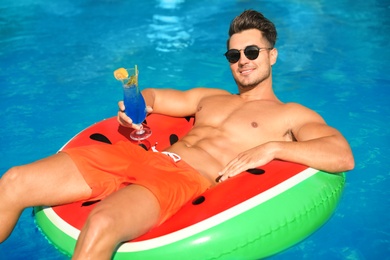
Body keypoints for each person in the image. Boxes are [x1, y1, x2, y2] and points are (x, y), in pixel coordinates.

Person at [0, 10, 354, 259]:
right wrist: (135, 108)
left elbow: (341, 155)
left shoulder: (291, 114)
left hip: (182, 176)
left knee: (102, 222)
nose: (242, 60)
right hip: (140, 156)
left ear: (272, 56)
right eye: (234, 54)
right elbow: (157, 97)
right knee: (15, 180)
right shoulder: (208, 98)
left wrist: (273, 148)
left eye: (251, 52)